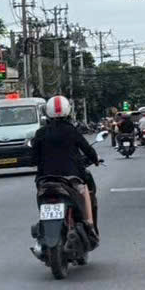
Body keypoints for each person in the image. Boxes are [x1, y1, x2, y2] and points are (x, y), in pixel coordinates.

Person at [31, 95, 100, 239]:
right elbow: (87, 149)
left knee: (41, 195)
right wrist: (96, 159)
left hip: (45, 179)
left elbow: (33, 159)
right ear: (68, 111)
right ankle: (89, 225)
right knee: (85, 191)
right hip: (71, 178)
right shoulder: (71, 130)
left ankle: (43, 225)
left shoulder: (40, 133)